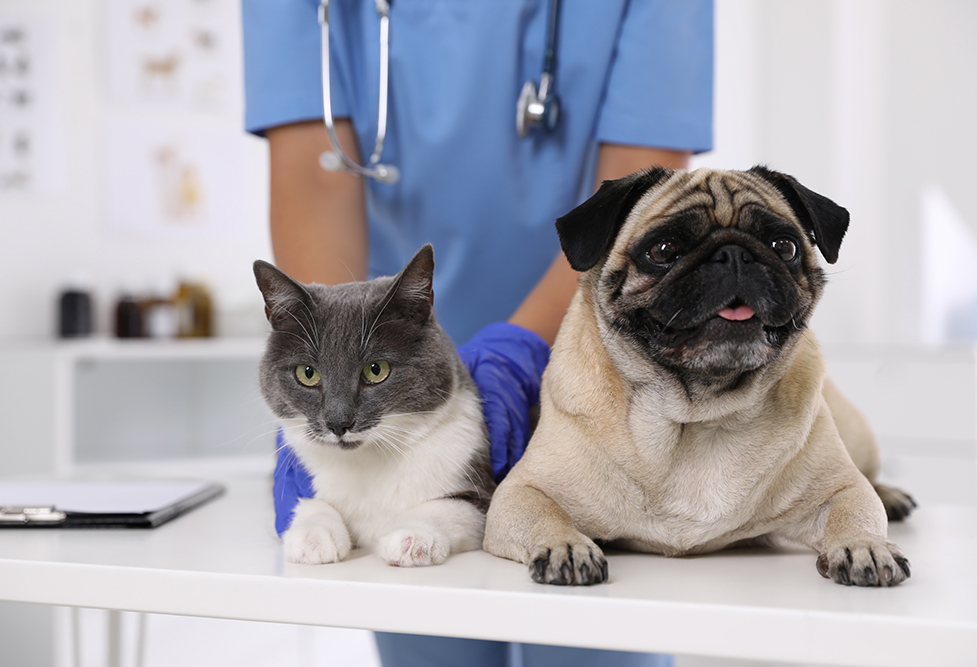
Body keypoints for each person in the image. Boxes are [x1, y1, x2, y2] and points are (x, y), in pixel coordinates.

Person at [242, 1, 713, 665]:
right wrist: (327, 367)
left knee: (593, 635)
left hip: (596, 368)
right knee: (428, 621)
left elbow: (638, 194)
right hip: (396, 406)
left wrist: (518, 357)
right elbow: (315, 181)